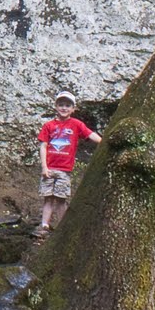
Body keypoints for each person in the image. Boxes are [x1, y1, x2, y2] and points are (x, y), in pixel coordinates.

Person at [36, 91, 101, 234]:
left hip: (64, 169)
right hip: (50, 168)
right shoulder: (49, 125)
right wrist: (44, 167)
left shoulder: (76, 124)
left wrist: (103, 142)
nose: (64, 108)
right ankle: (44, 225)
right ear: (55, 106)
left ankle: (63, 228)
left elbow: (90, 134)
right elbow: (43, 146)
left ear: (73, 108)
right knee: (48, 198)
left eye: (67, 105)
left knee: (61, 198)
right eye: (61, 105)